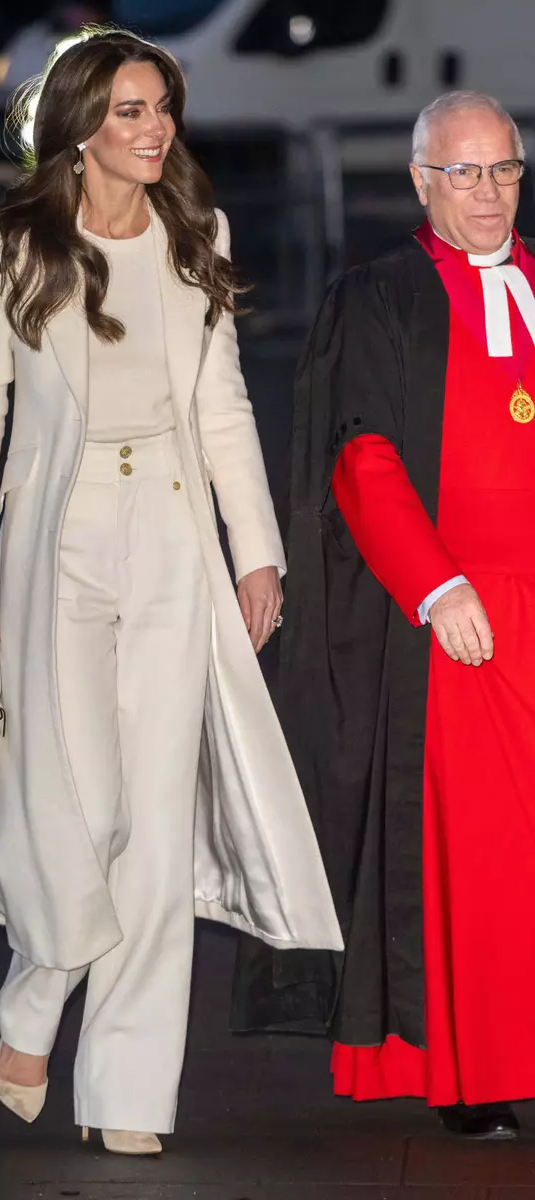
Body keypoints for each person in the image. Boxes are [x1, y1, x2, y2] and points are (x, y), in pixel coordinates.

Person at [0, 28, 340, 1155]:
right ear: (77, 125)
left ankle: (124, 1097)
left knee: (154, 826)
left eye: (161, 108)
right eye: (128, 111)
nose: (154, 129)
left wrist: (255, 551)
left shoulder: (193, 235)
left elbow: (223, 410)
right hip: (54, 550)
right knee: (83, 808)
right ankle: (35, 988)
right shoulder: (13, 240)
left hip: (169, 542)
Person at [233, 90, 535, 1139]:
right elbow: (361, 457)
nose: (486, 193)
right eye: (462, 172)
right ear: (419, 181)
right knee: (484, 867)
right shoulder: (378, 296)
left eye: (501, 169)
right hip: (458, 621)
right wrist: (435, 585)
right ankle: (475, 1073)